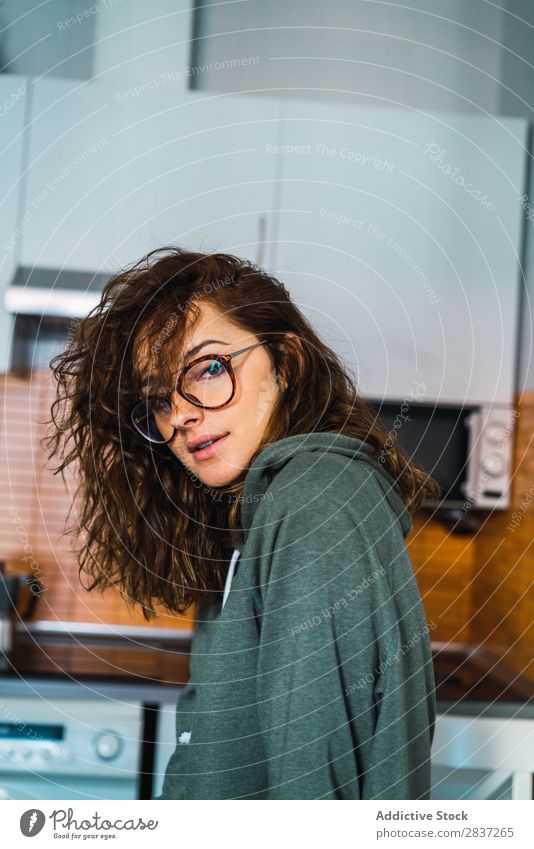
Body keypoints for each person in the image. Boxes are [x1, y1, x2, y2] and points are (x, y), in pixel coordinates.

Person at [47, 246, 440, 800]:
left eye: (209, 368)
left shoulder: (312, 504)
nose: (180, 413)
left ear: (287, 364)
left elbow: (316, 798)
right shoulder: (257, 510)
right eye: (159, 399)